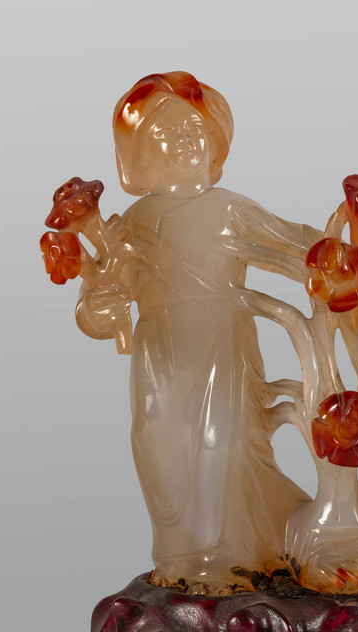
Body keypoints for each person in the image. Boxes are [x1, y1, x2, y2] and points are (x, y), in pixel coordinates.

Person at [76, 72, 321, 593]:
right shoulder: (130, 224)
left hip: (221, 346)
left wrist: (338, 256)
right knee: (159, 448)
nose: (185, 139)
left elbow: (295, 244)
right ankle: (180, 560)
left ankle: (223, 559)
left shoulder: (228, 208)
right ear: (139, 155)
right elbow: (96, 306)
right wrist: (99, 305)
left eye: (194, 127)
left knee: (220, 442)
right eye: (166, 133)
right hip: (160, 354)